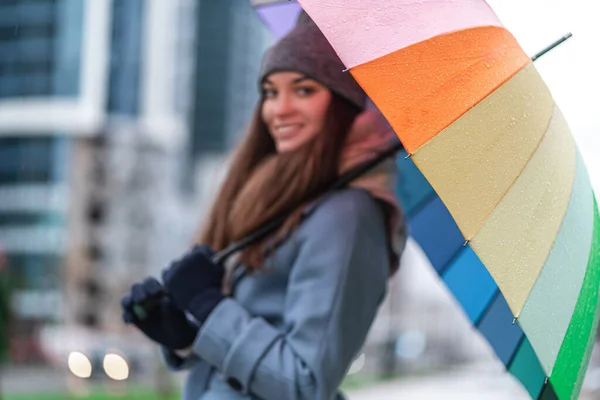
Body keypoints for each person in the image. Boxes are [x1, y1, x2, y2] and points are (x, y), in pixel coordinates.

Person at [121, 11, 407, 400]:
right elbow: (253, 357)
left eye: (304, 90)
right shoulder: (285, 199)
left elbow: (304, 383)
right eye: (271, 92)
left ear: (342, 103)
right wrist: (186, 335)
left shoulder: (347, 217)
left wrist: (210, 307)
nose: (279, 109)